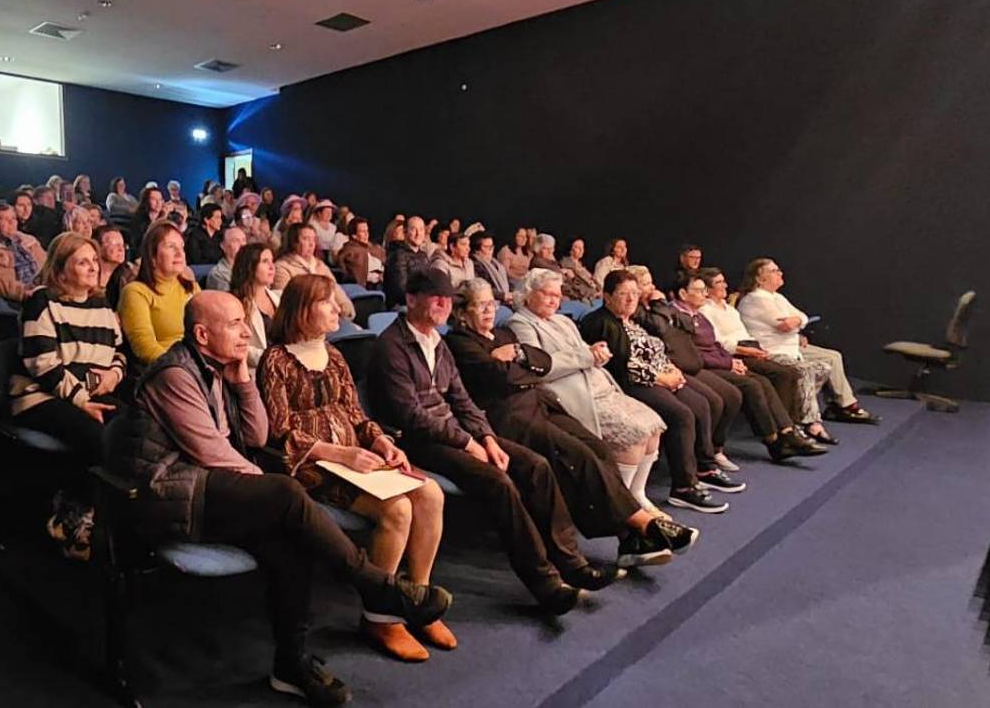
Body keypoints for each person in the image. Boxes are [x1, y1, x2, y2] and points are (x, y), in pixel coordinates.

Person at [106, 291, 452, 705]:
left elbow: (254, 436)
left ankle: (291, 664)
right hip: (164, 495)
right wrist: (267, 491)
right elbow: (212, 453)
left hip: (208, 489)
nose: (245, 331)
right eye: (234, 323)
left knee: (291, 541)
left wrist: (242, 380)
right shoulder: (176, 375)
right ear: (202, 334)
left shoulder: (217, 368)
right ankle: (377, 587)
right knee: (286, 495)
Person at [369, 269, 620, 615]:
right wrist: (468, 443)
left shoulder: (436, 343)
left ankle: (571, 563)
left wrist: (486, 437)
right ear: (411, 300)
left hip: (455, 431)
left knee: (536, 467)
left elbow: (462, 400)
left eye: (446, 298)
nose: (442, 304)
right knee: (499, 483)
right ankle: (545, 583)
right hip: (416, 440)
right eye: (434, 297)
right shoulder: (391, 346)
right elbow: (410, 415)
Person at [260, 275, 452, 661]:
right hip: (312, 465)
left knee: (429, 493)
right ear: (302, 310)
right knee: (398, 509)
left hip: (356, 459)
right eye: (327, 303)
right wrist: (341, 455)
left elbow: (356, 416)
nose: (338, 309)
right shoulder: (276, 360)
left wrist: (380, 440)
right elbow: (279, 434)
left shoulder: (334, 356)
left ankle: (417, 597)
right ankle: (379, 616)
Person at [447, 279, 697, 568]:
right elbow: (506, 377)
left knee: (597, 448)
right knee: (576, 455)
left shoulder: (502, 335)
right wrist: (524, 366)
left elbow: (541, 362)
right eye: (480, 305)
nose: (489, 310)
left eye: (491, 303)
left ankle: (630, 538)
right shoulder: (459, 342)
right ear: (463, 312)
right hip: (509, 416)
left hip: (539, 403)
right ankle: (643, 526)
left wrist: (518, 356)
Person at [11, 233, 125, 560]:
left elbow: (118, 353)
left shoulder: (101, 304)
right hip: (41, 396)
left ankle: (106, 513)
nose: (93, 267)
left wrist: (113, 376)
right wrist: (81, 399)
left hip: (89, 392)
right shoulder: (41, 302)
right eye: (82, 262)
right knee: (98, 434)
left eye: (94, 260)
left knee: (137, 427)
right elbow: (42, 364)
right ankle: (75, 514)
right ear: (61, 272)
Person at [578, 271, 733, 513]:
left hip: (658, 375)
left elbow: (656, 347)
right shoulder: (600, 322)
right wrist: (662, 377)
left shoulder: (634, 317)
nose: (630, 299)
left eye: (634, 293)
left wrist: (670, 368)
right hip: (631, 383)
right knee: (682, 415)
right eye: (622, 294)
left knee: (702, 403)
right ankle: (683, 487)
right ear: (607, 296)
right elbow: (622, 364)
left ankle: (705, 468)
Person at [673, 274, 828, 461]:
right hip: (717, 361)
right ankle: (774, 440)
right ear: (683, 293)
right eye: (699, 290)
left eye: (704, 290)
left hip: (731, 355)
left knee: (767, 380)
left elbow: (714, 344)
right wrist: (730, 361)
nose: (703, 294)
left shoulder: (704, 315)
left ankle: (787, 431)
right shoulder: (686, 317)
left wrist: (732, 360)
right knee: (753, 384)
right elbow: (701, 350)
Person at [628, 265, 745, 474]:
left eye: (651, 282)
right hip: (658, 374)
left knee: (727, 397)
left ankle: (710, 453)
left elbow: (688, 326)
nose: (652, 287)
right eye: (645, 284)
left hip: (675, 366)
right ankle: (700, 465)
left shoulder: (662, 310)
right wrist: (658, 302)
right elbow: (659, 328)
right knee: (699, 406)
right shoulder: (641, 312)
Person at [736, 258, 880, 427]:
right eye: (774, 271)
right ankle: (806, 411)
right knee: (817, 366)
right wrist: (796, 323)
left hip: (790, 345)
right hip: (772, 349)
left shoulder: (777, 297)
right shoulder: (756, 299)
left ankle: (843, 405)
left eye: (779, 269)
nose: (780, 273)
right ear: (760, 279)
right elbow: (784, 326)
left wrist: (797, 321)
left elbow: (801, 316)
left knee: (833, 357)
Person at [119, 222, 199, 367]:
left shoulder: (192, 287)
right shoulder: (135, 292)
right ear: (153, 256)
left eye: (181, 247)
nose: (179, 253)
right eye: (171, 247)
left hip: (197, 364)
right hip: (164, 371)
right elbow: (145, 347)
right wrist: (181, 370)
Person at [271, 223, 356, 321]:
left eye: (313, 240)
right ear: (294, 242)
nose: (311, 244)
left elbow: (335, 290)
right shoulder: (282, 267)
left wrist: (346, 309)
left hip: (332, 318)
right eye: (306, 239)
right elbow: (285, 304)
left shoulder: (320, 265)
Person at [229, 242, 280, 368]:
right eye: (265, 261)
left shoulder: (279, 296)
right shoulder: (235, 302)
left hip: (284, 367)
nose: (272, 267)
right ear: (250, 266)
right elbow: (235, 344)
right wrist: (271, 360)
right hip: (256, 370)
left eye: (272, 261)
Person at [528, 234, 595, 301]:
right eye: (545, 248)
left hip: (573, 292)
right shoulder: (538, 262)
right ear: (537, 249)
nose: (550, 251)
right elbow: (561, 281)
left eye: (551, 248)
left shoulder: (550, 261)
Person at [384, 216, 430, 308]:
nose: (418, 234)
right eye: (413, 229)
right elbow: (400, 290)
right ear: (405, 232)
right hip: (403, 306)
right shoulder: (397, 255)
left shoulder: (423, 255)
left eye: (421, 229)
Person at [335, 217, 385, 288]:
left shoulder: (374, 248)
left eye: (367, 231)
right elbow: (356, 274)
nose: (366, 234)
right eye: (362, 231)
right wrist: (377, 277)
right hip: (365, 287)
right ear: (354, 235)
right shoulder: (349, 251)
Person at [470, 232, 514, 307]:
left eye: (491, 246)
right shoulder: (475, 264)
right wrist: (503, 295)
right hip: (491, 302)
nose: (490, 250)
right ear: (477, 249)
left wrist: (512, 293)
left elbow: (508, 282)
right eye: (486, 247)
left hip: (505, 300)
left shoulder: (496, 263)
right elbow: (483, 287)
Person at [94, 224, 133, 306]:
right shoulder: (87, 276)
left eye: (122, 245)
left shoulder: (127, 278)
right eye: (114, 244)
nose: (121, 249)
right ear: (98, 246)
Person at [204, 226, 246, 291]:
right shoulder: (218, 275)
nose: (242, 245)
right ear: (223, 246)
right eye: (236, 240)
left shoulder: (252, 267)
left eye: (244, 240)